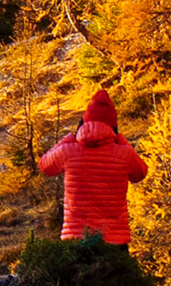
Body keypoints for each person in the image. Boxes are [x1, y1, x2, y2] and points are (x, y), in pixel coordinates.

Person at [38, 89, 146, 247]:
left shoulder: (68, 151)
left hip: (75, 237)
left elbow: (45, 165)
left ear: (83, 123)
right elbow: (140, 173)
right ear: (113, 127)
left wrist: (68, 139)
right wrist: (122, 140)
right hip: (114, 239)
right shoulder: (124, 154)